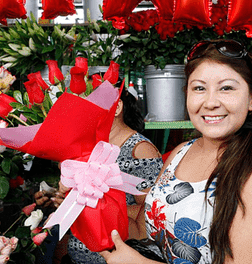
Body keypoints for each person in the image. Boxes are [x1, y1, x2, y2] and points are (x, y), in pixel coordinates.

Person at [100, 39, 252, 264]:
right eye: (199, 88)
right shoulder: (181, 153)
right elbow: (143, 231)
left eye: (226, 88)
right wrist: (86, 197)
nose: (210, 102)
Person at [34, 80, 164, 264]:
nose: (84, 113)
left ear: (117, 107)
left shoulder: (140, 149)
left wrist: (92, 206)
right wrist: (60, 200)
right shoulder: (89, 149)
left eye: (91, 105)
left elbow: (151, 213)